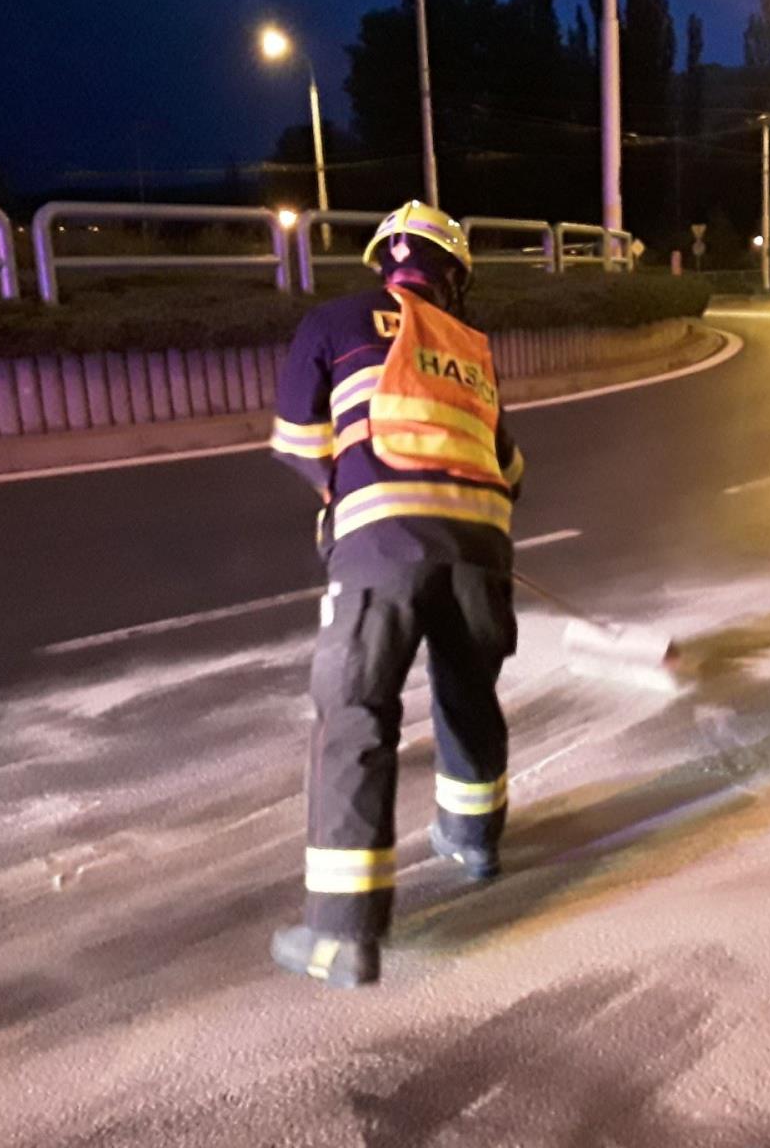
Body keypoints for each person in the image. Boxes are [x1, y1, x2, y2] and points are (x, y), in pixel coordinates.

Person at [267, 201, 525, 989]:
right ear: (455, 277)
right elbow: (511, 468)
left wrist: (342, 493)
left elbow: (298, 441)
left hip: (382, 545)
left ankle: (342, 936)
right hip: (481, 546)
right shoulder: (470, 349)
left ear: (385, 262)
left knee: (355, 714)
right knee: (468, 693)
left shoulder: (333, 322)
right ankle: (473, 843)